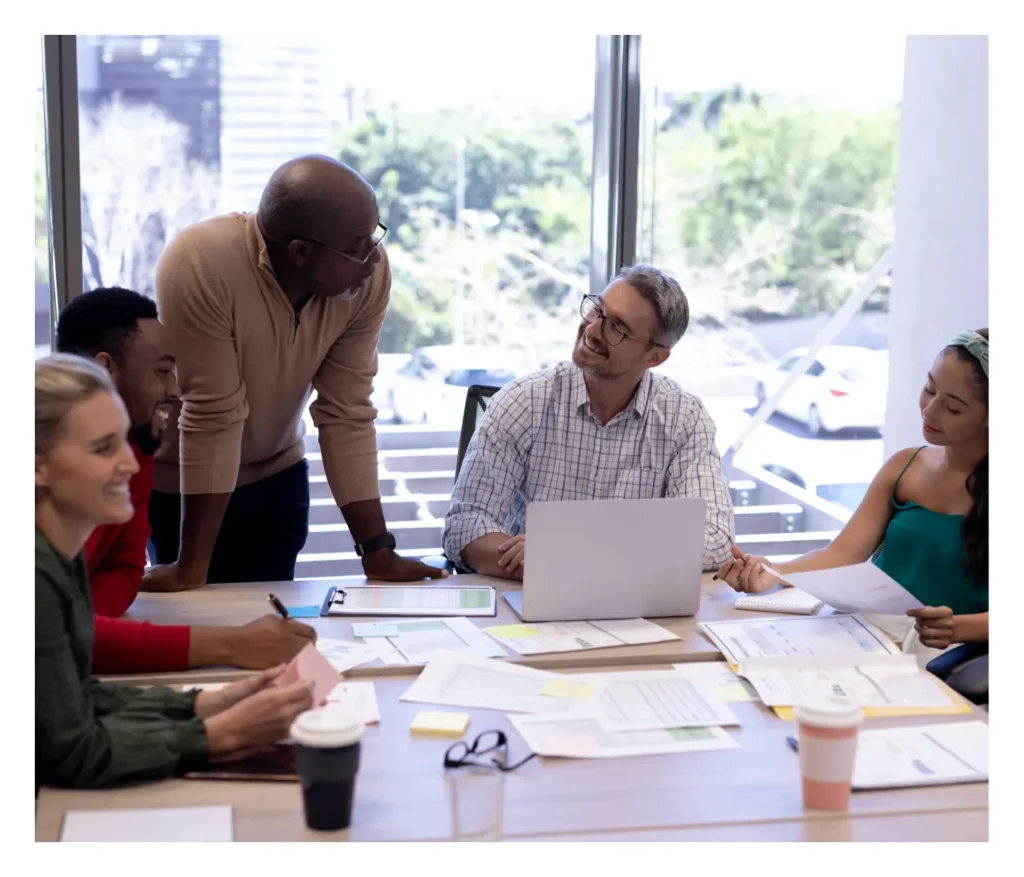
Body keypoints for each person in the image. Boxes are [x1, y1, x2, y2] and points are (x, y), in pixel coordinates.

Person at [144, 155, 445, 591]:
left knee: (265, 622)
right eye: (358, 246)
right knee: (196, 624)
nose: (374, 259)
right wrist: (191, 566)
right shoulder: (200, 261)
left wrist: (378, 551)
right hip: (186, 489)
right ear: (300, 252)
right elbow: (214, 415)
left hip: (277, 478)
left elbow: (347, 410)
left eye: (374, 236)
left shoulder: (363, 279)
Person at [36, 354, 315, 789]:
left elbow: (80, 697)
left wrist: (206, 704)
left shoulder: (58, 555)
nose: (130, 464)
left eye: (124, 442)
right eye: (104, 448)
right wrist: (224, 732)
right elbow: (72, 752)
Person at [56, 287, 317, 673]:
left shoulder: (138, 448)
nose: (176, 391)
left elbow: (125, 568)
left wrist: (77, 616)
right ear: (106, 368)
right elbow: (49, 635)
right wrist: (230, 644)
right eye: (163, 372)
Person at [442, 265, 735, 579]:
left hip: (635, 610)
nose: (593, 329)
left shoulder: (684, 419)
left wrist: (567, 555)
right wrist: (557, 565)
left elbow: (715, 537)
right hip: (532, 599)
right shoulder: (524, 401)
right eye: (597, 309)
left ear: (654, 358)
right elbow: (465, 526)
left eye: (617, 328)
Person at [718, 329, 989, 659]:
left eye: (954, 408)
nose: (930, 411)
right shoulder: (905, 465)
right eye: (929, 389)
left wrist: (960, 627)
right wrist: (773, 573)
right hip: (865, 636)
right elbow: (841, 557)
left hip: (951, 658)